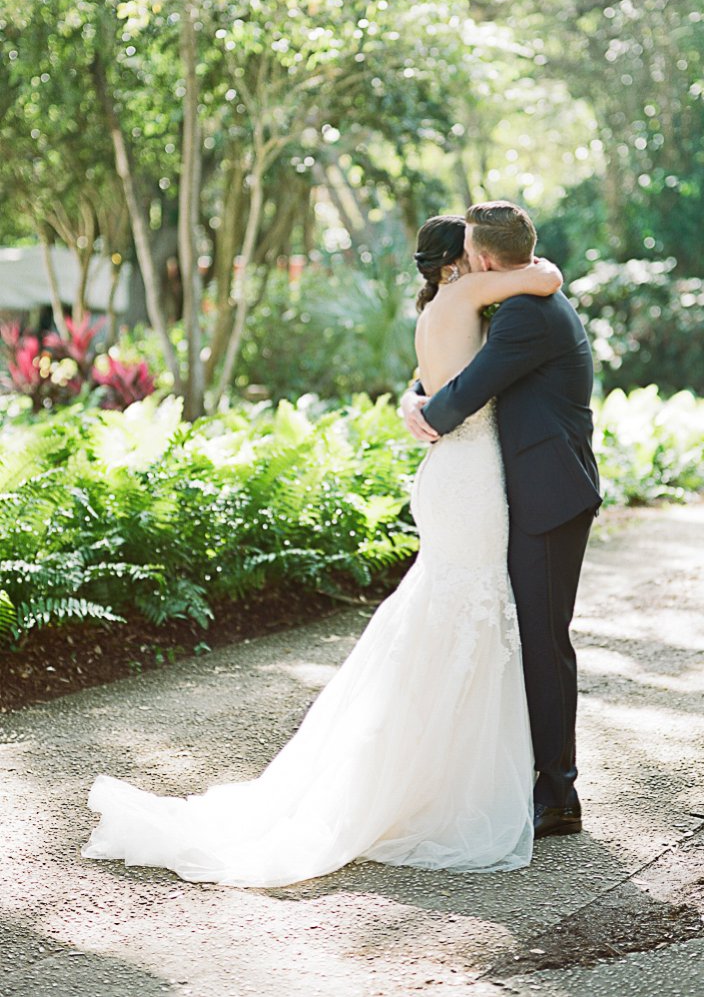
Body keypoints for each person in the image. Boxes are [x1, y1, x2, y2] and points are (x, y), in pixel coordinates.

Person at [81, 214, 564, 887]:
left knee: (447, 610)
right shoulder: (463, 297)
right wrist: (536, 269)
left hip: (450, 476)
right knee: (470, 607)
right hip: (471, 480)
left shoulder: (434, 308)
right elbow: (543, 274)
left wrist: (412, 400)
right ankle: (438, 783)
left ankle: (423, 770)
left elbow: (440, 383)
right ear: (467, 261)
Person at [401, 201, 601, 839]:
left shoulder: (524, 314)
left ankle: (558, 795)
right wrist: (420, 394)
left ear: (481, 260)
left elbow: (465, 391)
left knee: (543, 643)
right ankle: (529, 779)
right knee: (527, 638)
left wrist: (426, 412)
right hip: (527, 488)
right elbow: (454, 369)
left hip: (548, 495)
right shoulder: (520, 301)